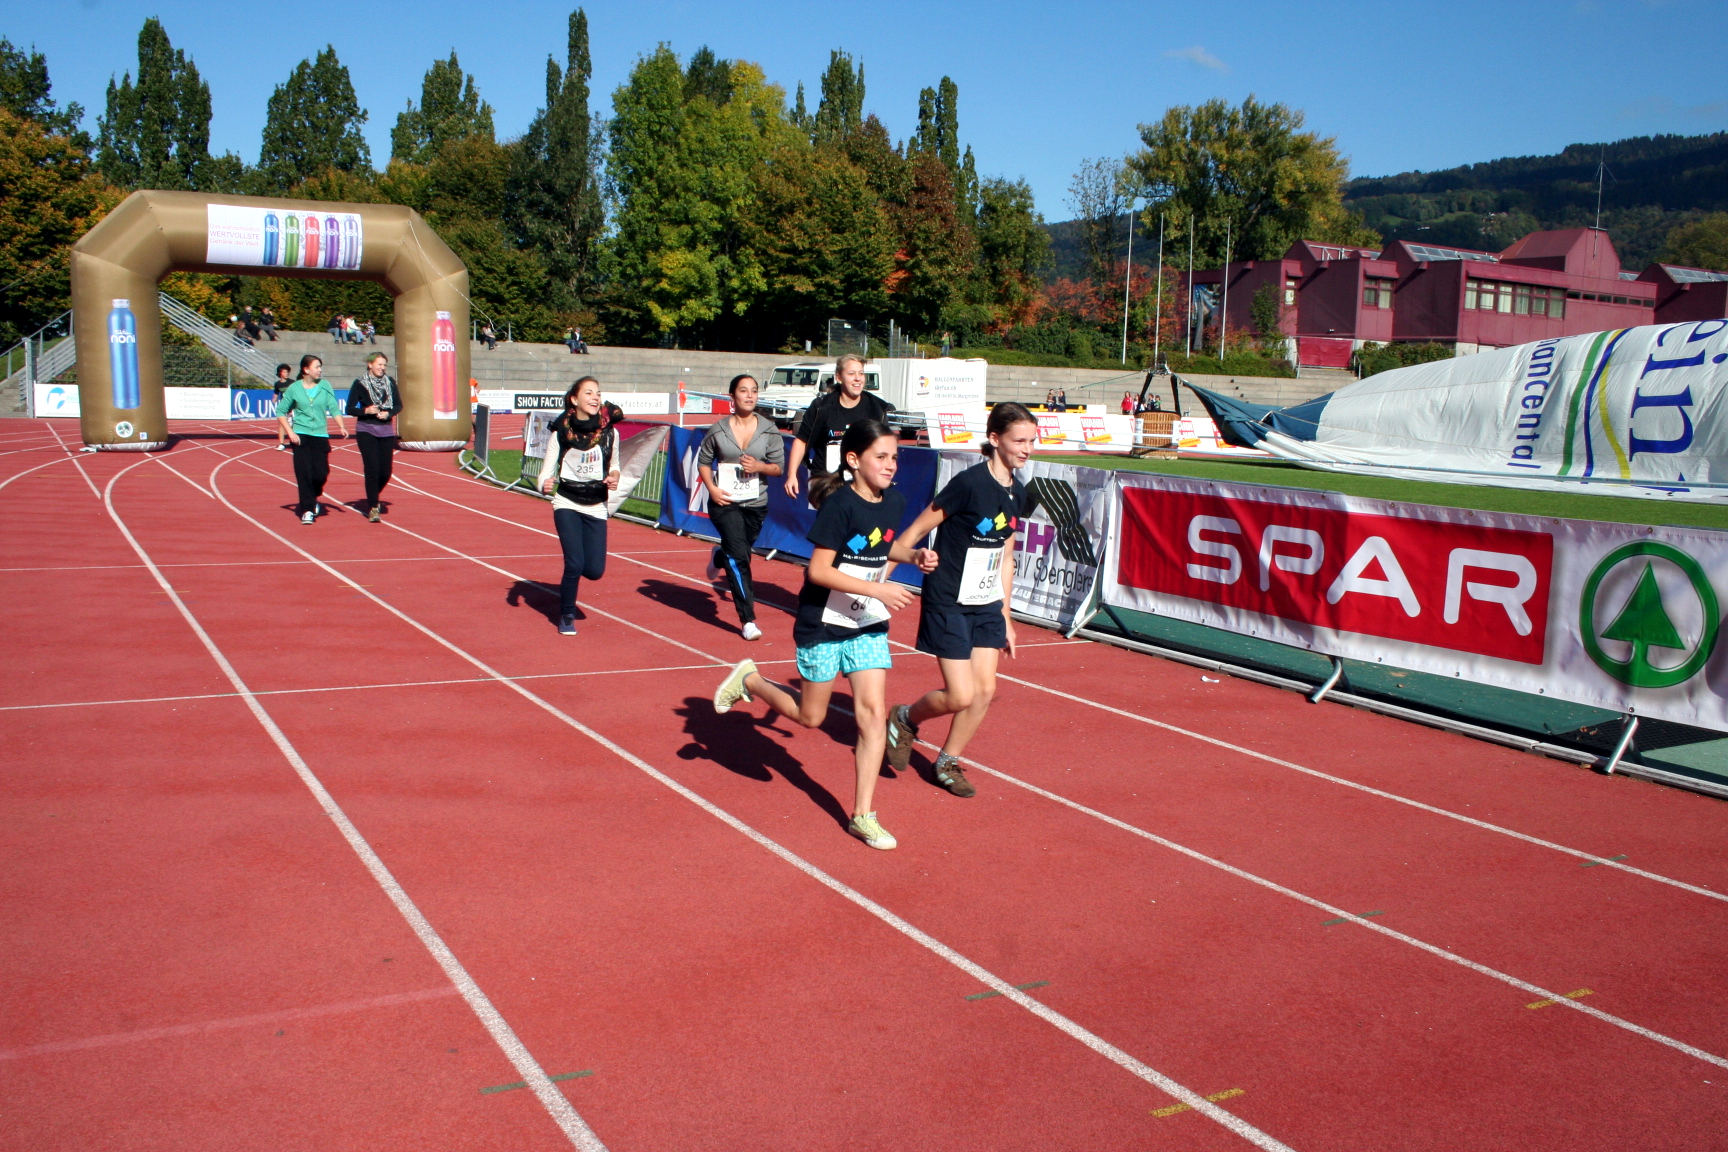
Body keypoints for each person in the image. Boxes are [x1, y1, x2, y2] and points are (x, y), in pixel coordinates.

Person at [714, 420, 937, 851]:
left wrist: (913, 555)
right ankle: (750, 680)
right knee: (810, 717)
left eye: (894, 457)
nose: (890, 464)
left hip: (866, 623)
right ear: (853, 460)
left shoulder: (894, 501)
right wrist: (878, 589)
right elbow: (817, 570)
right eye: (881, 457)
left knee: (872, 715)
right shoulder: (840, 506)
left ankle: (863, 815)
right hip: (823, 623)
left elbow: (879, 544)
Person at [884, 403, 1039, 798]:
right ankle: (906, 717)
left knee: (984, 690)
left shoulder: (1018, 492)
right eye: (1019, 441)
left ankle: (947, 762)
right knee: (960, 694)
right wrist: (879, 585)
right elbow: (915, 531)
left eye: (1032, 441)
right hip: (949, 598)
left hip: (986, 602)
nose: (1027, 449)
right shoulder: (968, 484)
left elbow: (1006, 555)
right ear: (995, 439)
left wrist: (1006, 616)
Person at [698, 374, 785, 641]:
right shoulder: (718, 430)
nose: (749, 395)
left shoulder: (769, 430)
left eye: (754, 391)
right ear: (732, 397)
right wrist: (712, 489)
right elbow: (703, 462)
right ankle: (748, 620)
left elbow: (778, 468)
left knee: (740, 552)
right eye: (743, 391)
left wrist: (759, 467)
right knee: (739, 557)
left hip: (756, 504)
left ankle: (719, 557)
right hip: (725, 502)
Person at [536, 377, 623, 636]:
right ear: (574, 399)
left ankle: (574, 579)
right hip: (567, 502)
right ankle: (566, 615)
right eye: (589, 393)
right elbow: (545, 472)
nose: (595, 398)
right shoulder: (561, 432)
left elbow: (615, 465)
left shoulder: (610, 432)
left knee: (594, 571)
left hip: (596, 504)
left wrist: (614, 477)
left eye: (598, 393)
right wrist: (544, 484)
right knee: (574, 563)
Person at [782, 353, 893, 500]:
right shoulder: (821, 406)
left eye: (861, 373)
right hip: (826, 483)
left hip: (863, 484)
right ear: (839, 377)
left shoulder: (876, 408)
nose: (858, 378)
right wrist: (791, 475)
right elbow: (801, 441)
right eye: (851, 374)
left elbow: (885, 448)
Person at [276, 354, 348, 524]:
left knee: (321, 473)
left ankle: (313, 495)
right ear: (306, 369)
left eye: (320, 367)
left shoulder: (325, 385)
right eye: (317, 367)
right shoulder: (294, 388)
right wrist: (290, 432)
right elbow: (281, 411)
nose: (320, 370)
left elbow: (334, 408)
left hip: (320, 435)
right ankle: (307, 510)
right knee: (304, 474)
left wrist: (341, 426)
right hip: (300, 436)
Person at [345, 351, 401, 522]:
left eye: (384, 365)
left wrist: (388, 413)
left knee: (385, 472)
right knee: (372, 469)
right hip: (366, 430)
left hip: (386, 430)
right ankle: (374, 506)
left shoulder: (390, 382)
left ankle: (372, 495)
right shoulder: (360, 383)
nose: (382, 368)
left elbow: (399, 405)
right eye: (379, 364)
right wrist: (366, 410)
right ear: (370, 365)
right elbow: (349, 408)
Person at [271, 363, 293, 451]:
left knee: (293, 425)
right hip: (283, 406)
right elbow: (276, 394)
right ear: (280, 373)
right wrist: (274, 400)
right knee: (281, 424)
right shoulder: (277, 384)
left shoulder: (292, 382)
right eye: (284, 372)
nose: (286, 374)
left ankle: (293, 440)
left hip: (293, 407)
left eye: (287, 372)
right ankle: (281, 443)